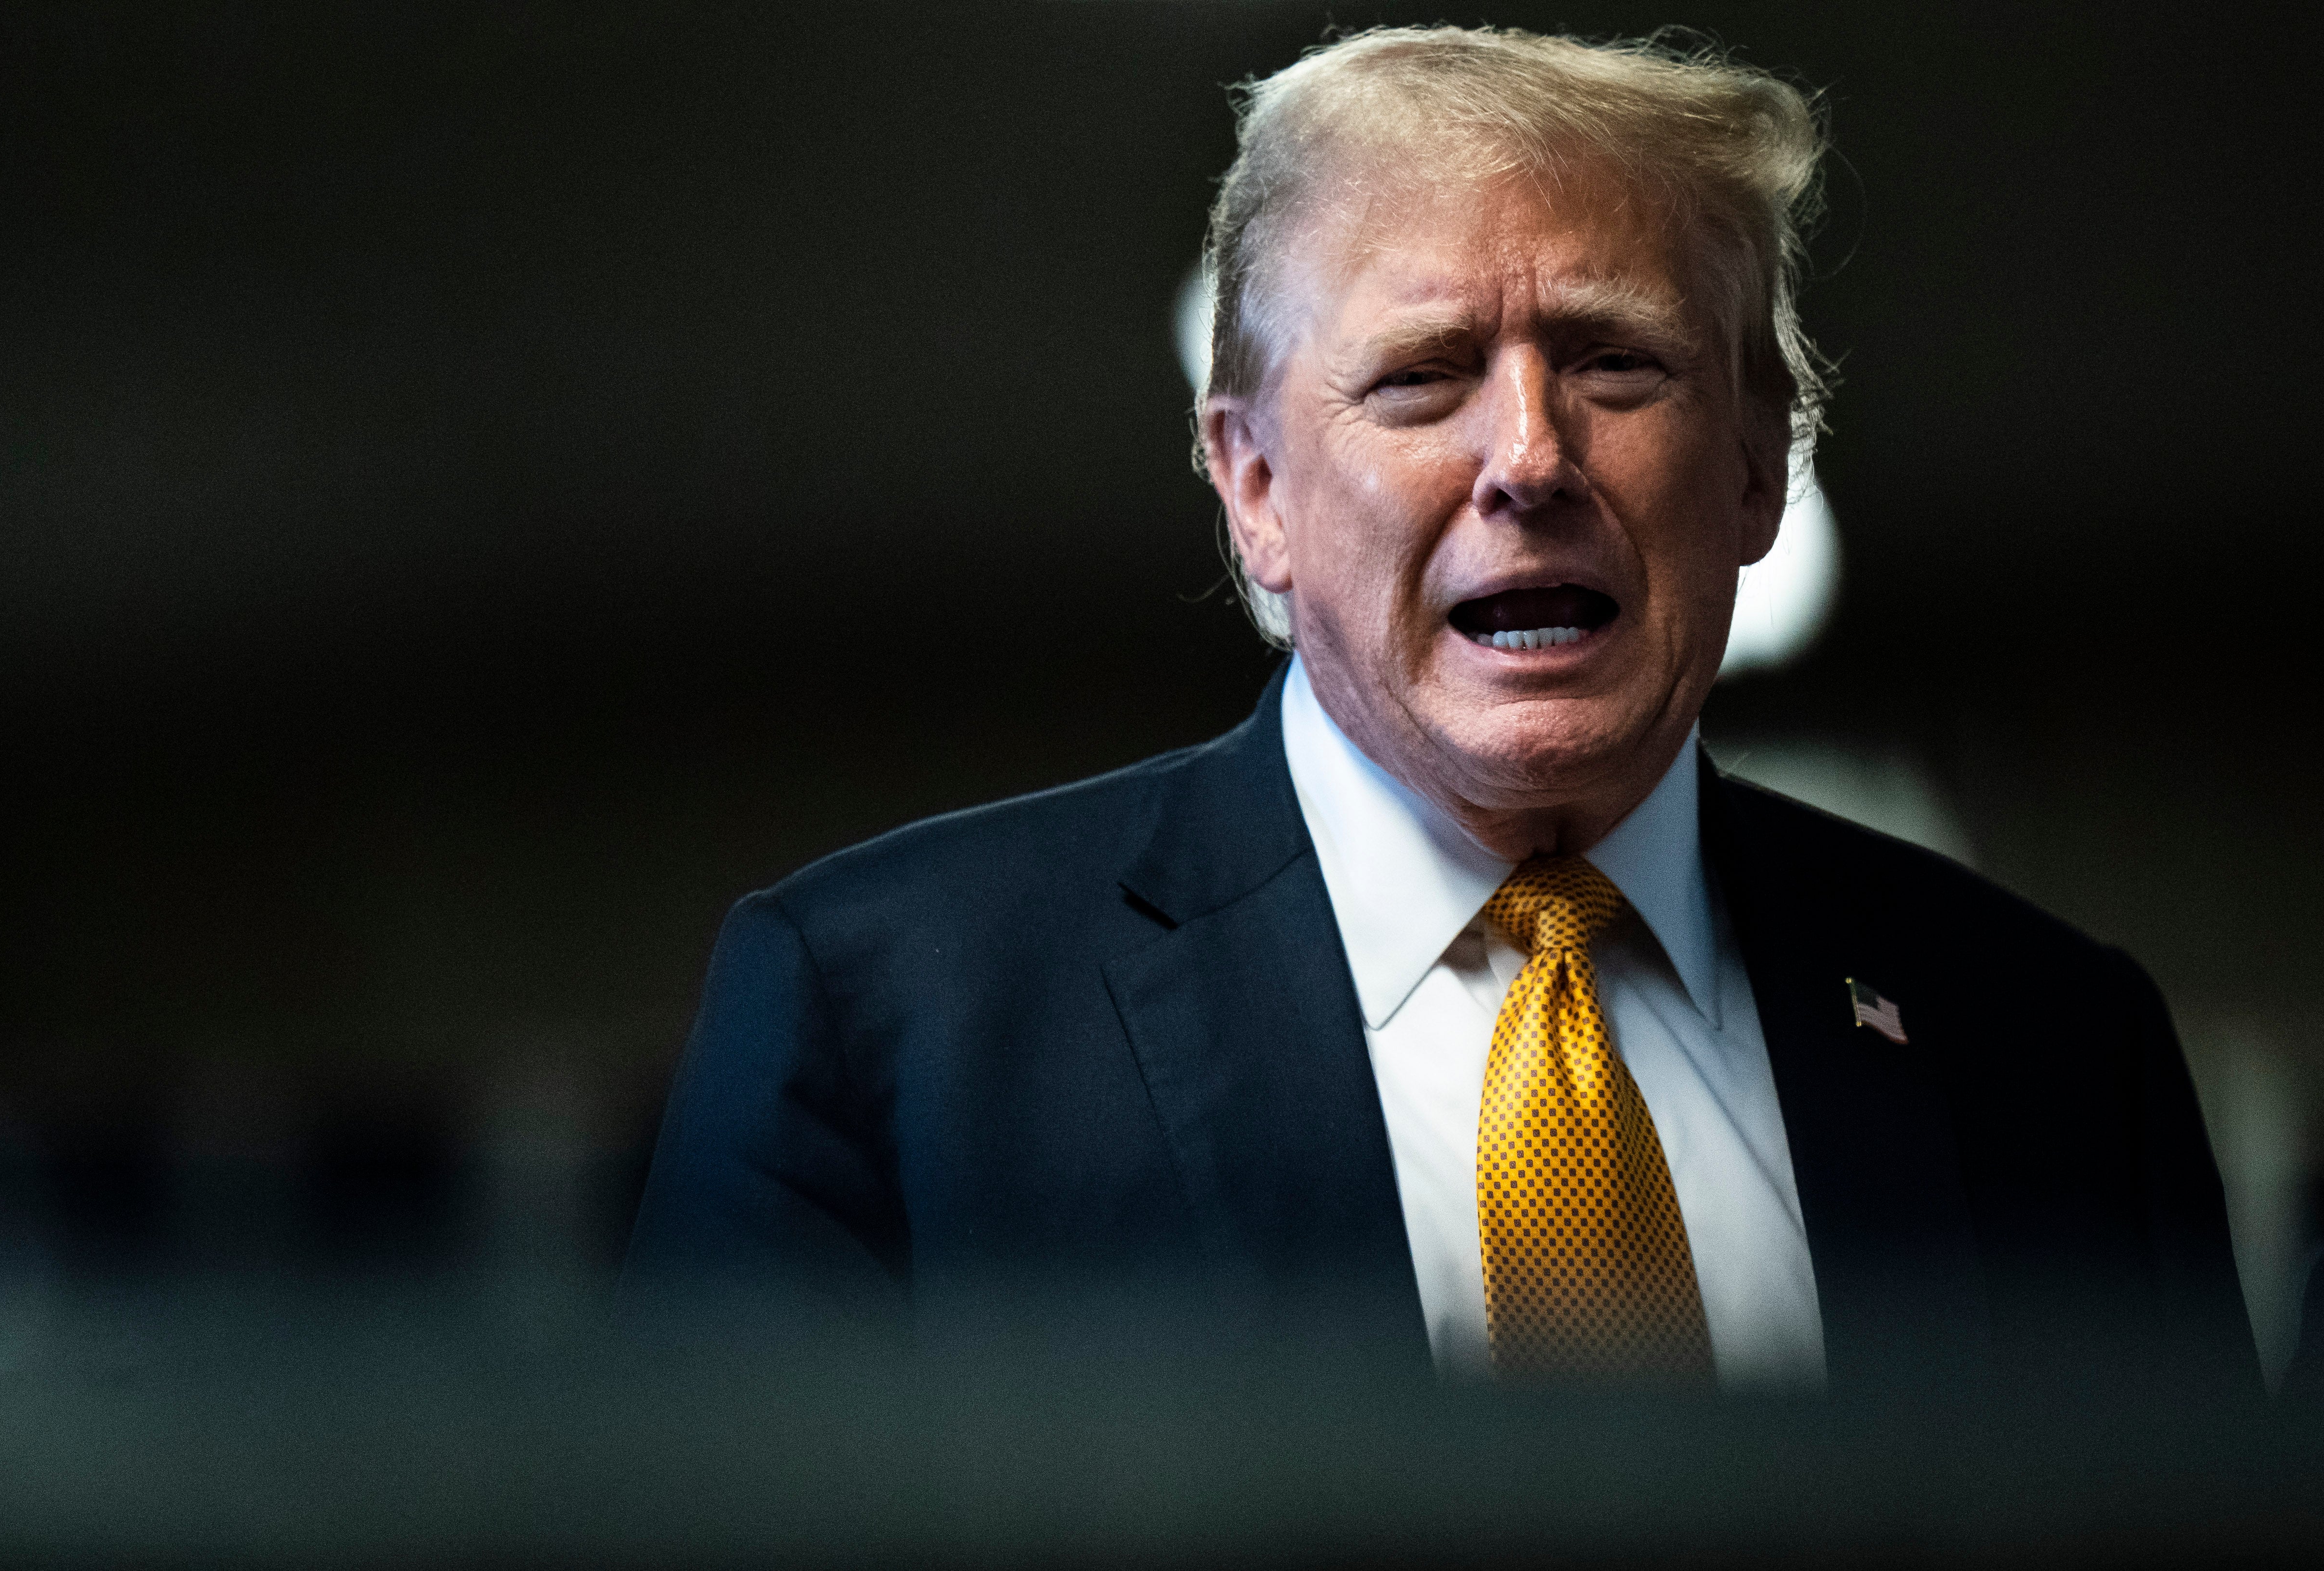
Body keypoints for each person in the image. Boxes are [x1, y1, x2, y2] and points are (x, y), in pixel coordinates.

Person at [625, 26, 2256, 1400]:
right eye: (1421, 376)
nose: (1532, 458)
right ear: (1251, 484)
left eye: (1618, 363)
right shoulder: (881, 1024)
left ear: (1760, 465)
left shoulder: (2053, 1048)